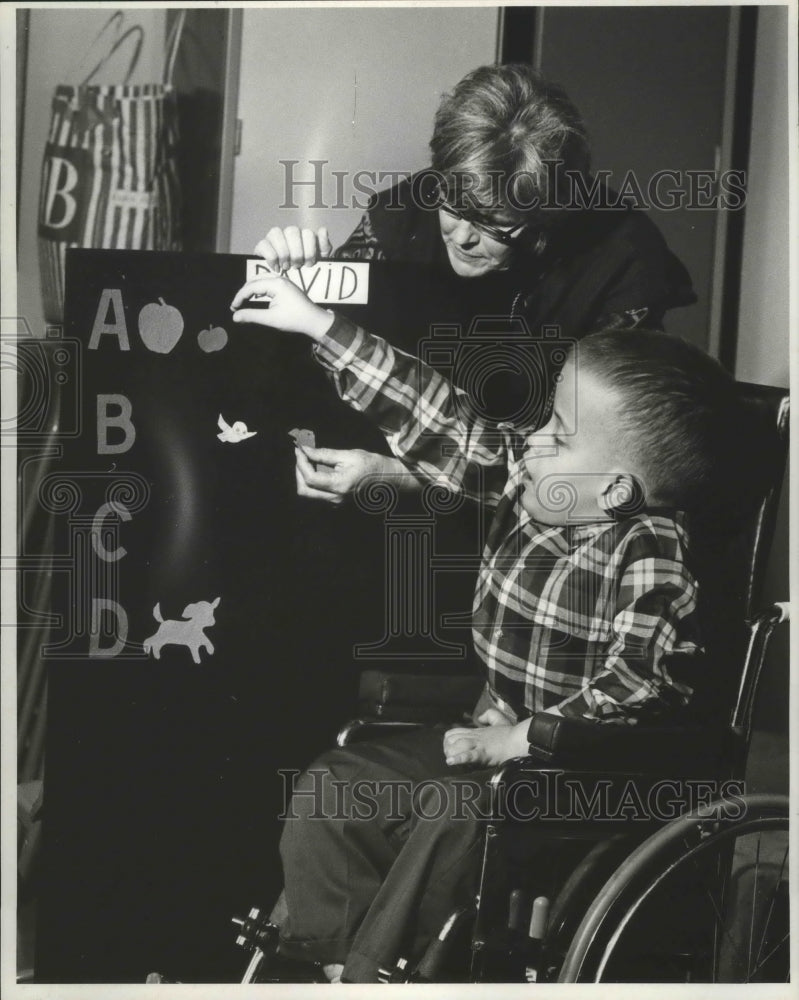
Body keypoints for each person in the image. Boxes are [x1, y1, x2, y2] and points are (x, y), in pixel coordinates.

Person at [228, 271, 741, 984]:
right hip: (492, 735)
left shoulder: (648, 550)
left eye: (559, 436)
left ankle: (378, 976)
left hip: (576, 768)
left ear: (616, 490)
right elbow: (440, 421)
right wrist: (319, 324)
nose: (532, 442)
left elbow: (636, 683)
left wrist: (520, 737)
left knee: (451, 816)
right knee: (333, 786)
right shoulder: (540, 488)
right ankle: (331, 960)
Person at [254, 64, 697, 506]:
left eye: (493, 224)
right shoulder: (404, 213)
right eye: (453, 204)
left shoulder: (624, 264)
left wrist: (403, 479)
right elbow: (324, 352)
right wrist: (305, 274)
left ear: (547, 218)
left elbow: (579, 468)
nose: (462, 236)